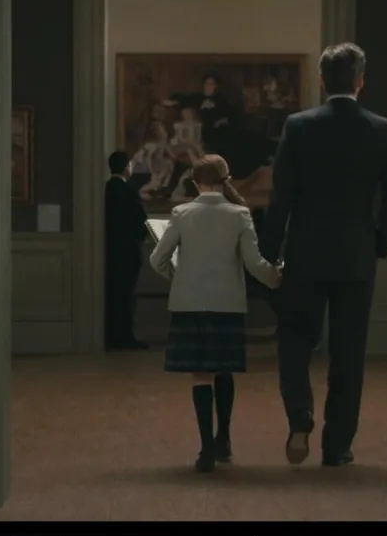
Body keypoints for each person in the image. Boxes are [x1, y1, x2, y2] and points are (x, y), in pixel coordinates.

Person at [259, 42, 387, 467]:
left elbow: (281, 198)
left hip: (305, 252)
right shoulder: (383, 131)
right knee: (348, 352)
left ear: (322, 80)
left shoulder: (298, 126)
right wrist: (378, 244)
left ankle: (300, 415)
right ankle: (337, 445)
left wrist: (268, 252)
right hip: (356, 255)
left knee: (294, 339)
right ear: (361, 81)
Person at [149, 154, 283, 472]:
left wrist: (180, 278)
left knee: (200, 375)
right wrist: (275, 277)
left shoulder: (181, 213)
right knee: (224, 369)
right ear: (226, 180)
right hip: (227, 304)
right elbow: (253, 263)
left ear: (196, 182)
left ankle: (206, 448)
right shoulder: (239, 214)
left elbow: (157, 259)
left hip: (190, 303)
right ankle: (223, 438)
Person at [105, 150, 150, 350]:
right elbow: (141, 223)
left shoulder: (106, 190)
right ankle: (125, 337)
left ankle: (110, 336)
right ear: (126, 168)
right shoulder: (129, 192)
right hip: (128, 252)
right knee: (126, 296)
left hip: (108, 252)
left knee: (111, 295)